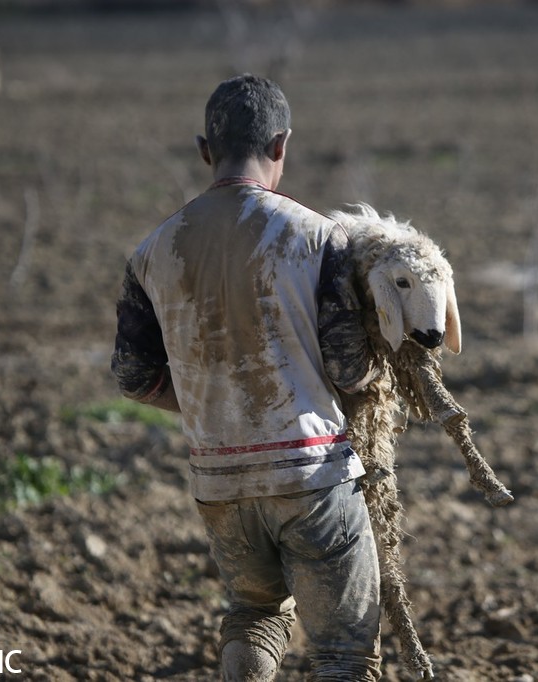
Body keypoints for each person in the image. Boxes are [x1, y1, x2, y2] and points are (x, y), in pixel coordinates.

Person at [111, 74, 382, 681]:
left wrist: (213, 405)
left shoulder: (153, 249)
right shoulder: (316, 237)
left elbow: (132, 376)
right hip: (312, 475)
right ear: (282, 145)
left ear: (205, 150)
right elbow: (349, 368)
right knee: (344, 652)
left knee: (254, 615)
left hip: (219, 482)